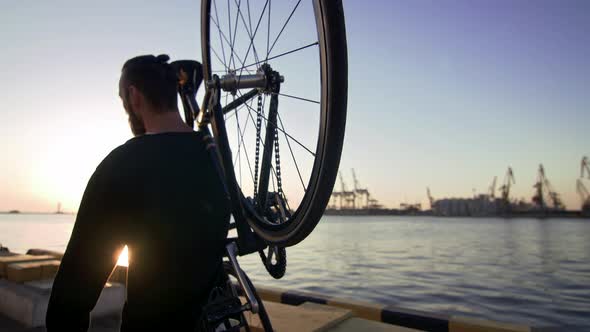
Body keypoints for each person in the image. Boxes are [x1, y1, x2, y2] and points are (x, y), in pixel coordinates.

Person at [46, 54, 231, 331]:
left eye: (123, 102)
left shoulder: (120, 167)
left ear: (134, 97)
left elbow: (72, 297)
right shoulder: (216, 157)